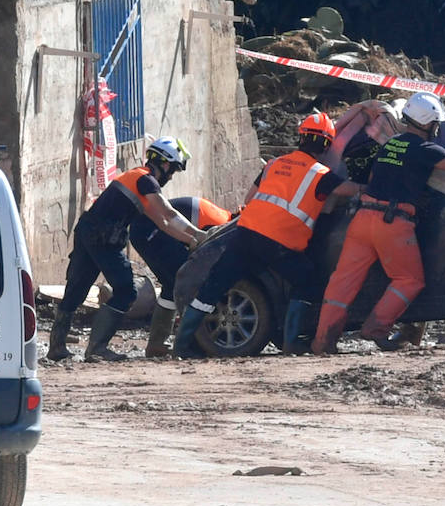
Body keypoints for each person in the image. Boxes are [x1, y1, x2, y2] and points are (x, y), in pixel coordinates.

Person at [312, 92, 445, 354]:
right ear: (428, 123)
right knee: (409, 280)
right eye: (436, 124)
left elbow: (378, 175)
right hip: (392, 223)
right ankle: (375, 328)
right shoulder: (426, 149)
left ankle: (323, 341)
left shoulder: (391, 144)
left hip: (362, 219)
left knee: (342, 282)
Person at [173, 112, 361, 357]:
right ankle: (292, 342)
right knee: (307, 281)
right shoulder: (321, 175)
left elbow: (248, 199)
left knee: (213, 287)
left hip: (245, 235)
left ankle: (181, 345)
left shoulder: (274, 164)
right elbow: (350, 190)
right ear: (326, 145)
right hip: (279, 243)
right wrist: (372, 187)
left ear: (300, 137)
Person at [49, 137, 204, 362]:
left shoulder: (137, 178)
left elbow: (163, 223)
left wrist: (191, 239)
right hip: (103, 237)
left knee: (77, 287)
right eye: (173, 170)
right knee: (125, 291)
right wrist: (198, 235)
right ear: (164, 163)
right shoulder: (146, 181)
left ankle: (57, 347)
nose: (171, 176)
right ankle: (97, 348)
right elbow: (169, 215)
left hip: (88, 231)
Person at [126, 195, 234, 358]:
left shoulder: (223, 219)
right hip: (149, 229)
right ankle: (190, 343)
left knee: (172, 285)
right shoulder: (219, 228)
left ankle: (157, 345)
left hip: (143, 230)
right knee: (189, 282)